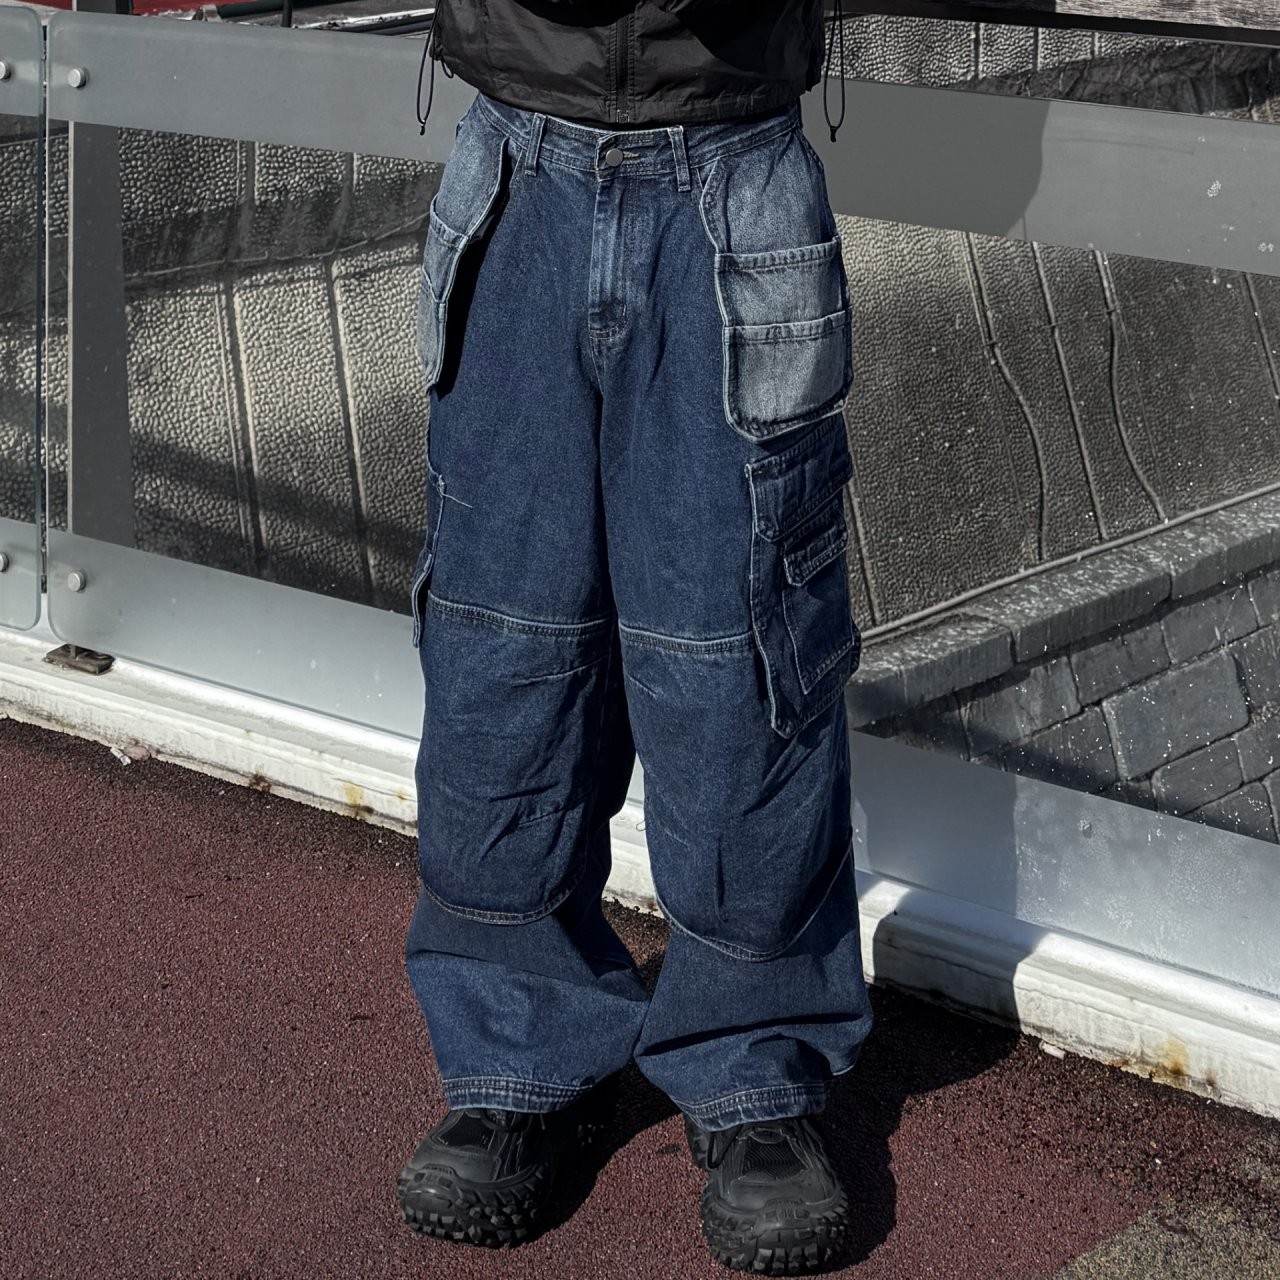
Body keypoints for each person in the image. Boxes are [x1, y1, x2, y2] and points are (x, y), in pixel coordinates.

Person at [397, 0, 872, 1271]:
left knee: (741, 654)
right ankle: (515, 1045)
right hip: (514, 166)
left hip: (733, 171)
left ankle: (754, 1062)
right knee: (500, 641)